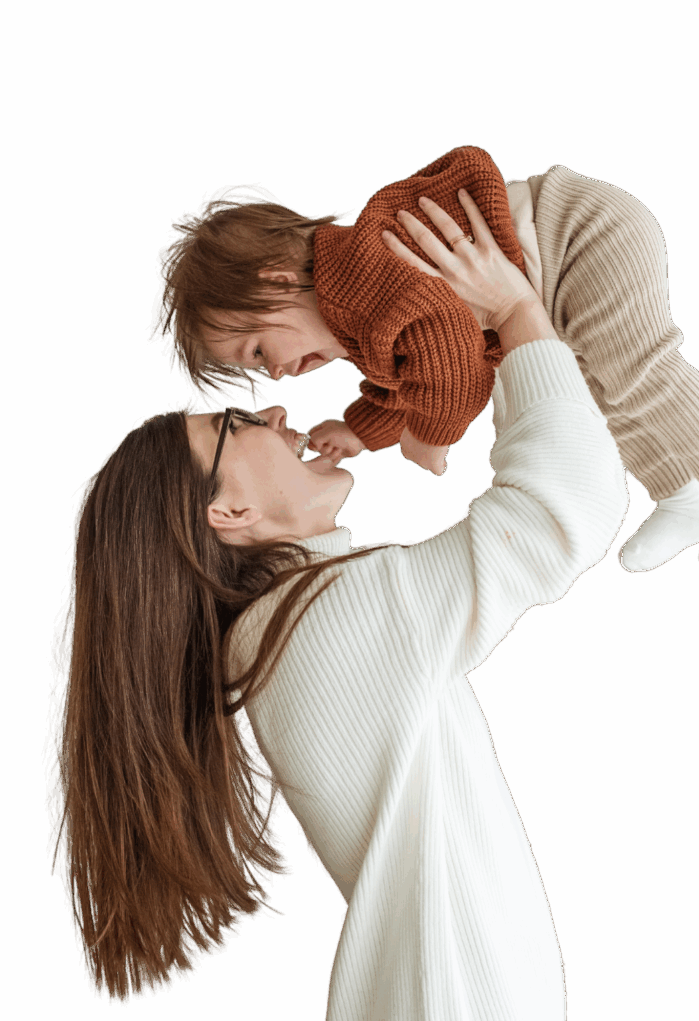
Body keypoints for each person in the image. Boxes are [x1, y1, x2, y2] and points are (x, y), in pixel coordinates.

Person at [63, 195, 627, 1017]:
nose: (274, 409)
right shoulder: (326, 621)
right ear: (229, 511)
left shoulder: (286, 631)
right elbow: (567, 506)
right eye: (237, 424)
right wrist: (513, 312)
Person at [152, 145, 699, 572]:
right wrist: (361, 431)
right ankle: (680, 496)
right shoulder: (352, 318)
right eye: (258, 369)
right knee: (603, 397)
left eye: (259, 349)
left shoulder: (363, 273)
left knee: (637, 375)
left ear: (279, 281)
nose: (276, 373)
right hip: (551, 286)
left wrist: (430, 433)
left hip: (578, 235)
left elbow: (451, 357)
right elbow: (404, 378)